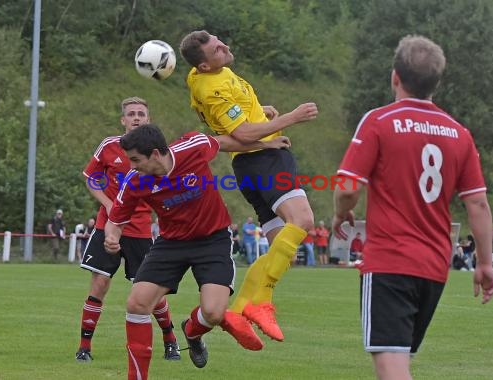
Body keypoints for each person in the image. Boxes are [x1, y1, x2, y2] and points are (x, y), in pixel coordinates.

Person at [332, 35, 493, 380]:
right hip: (434, 267)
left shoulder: (379, 121)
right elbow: (478, 204)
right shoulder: (459, 133)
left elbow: (348, 187)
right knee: (399, 362)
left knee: (392, 369)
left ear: (395, 76)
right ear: (437, 82)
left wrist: (340, 212)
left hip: (391, 260)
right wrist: (484, 262)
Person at [105, 124, 288, 379]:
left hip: (212, 240)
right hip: (171, 243)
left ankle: (192, 332)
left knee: (214, 313)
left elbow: (224, 142)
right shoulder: (136, 181)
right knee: (137, 303)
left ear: (156, 154)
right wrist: (112, 237)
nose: (132, 166)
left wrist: (265, 144)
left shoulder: (193, 147)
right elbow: (115, 219)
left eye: (136, 159)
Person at [180, 30, 319, 341]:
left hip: (248, 166)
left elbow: (233, 119)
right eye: (216, 49)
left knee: (282, 246)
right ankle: (255, 302)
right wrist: (291, 118)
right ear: (204, 66)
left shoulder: (199, 75)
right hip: (263, 158)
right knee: (303, 221)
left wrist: (258, 110)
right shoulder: (212, 86)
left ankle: (247, 306)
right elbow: (241, 135)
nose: (224, 47)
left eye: (219, 41)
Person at [76, 97, 180, 363]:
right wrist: (110, 205)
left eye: (141, 114)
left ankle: (170, 341)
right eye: (131, 114)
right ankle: (84, 347)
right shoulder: (110, 146)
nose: (136, 117)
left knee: (148, 292)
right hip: (107, 226)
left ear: (148, 119)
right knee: (99, 283)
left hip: (141, 231)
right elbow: (90, 178)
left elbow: (167, 186)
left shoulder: (158, 153)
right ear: (123, 120)